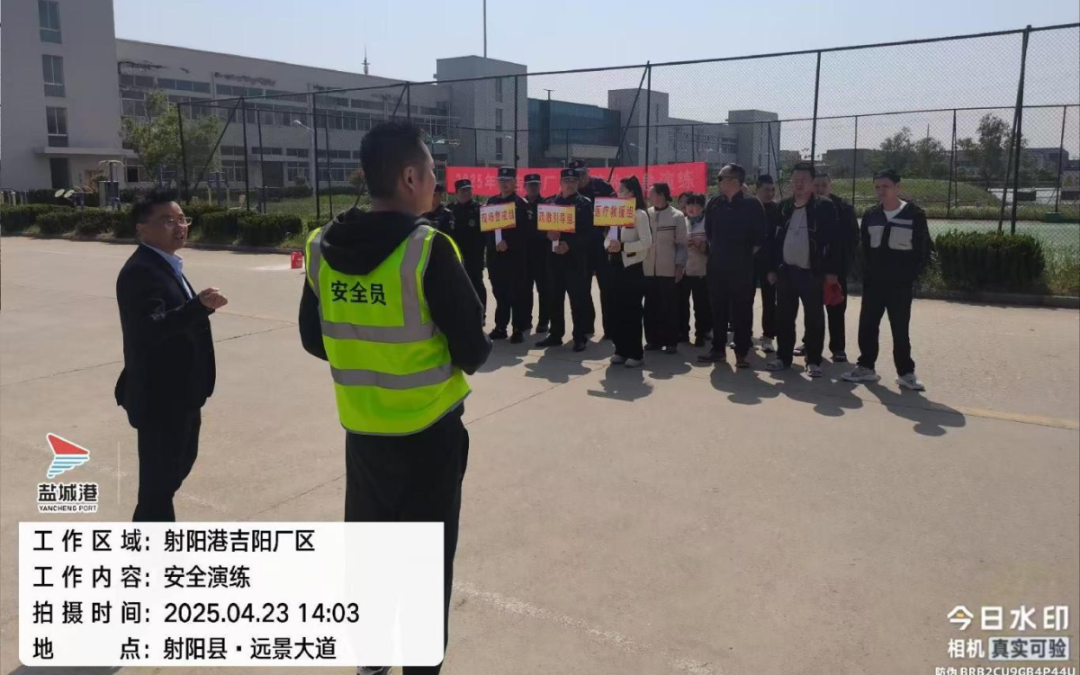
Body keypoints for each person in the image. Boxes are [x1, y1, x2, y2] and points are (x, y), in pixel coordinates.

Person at [298, 121, 491, 675]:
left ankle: (371, 658)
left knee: (370, 555)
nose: (435, 182)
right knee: (424, 568)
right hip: (430, 435)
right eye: (431, 171)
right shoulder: (427, 248)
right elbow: (473, 350)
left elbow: (313, 338)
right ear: (409, 177)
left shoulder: (320, 246)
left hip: (363, 433)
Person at [115, 190, 227, 521]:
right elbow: (150, 328)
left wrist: (199, 307)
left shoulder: (165, 264)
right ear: (142, 229)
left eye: (182, 219)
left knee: (167, 481)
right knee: (158, 490)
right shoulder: (140, 271)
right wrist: (198, 307)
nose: (179, 227)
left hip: (182, 394)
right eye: (167, 221)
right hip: (161, 398)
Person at [843, 169, 931, 390]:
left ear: (898, 187)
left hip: (900, 286)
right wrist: (865, 274)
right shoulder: (871, 215)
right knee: (867, 326)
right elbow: (864, 249)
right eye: (877, 187)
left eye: (886, 186)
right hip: (873, 284)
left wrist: (910, 276)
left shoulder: (914, 214)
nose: (881, 191)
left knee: (900, 329)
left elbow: (923, 250)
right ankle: (866, 367)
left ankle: (906, 373)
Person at [765, 162, 840, 377]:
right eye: (795, 180)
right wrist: (771, 268)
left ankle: (814, 360)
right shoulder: (783, 206)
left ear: (812, 182)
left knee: (814, 317)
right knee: (784, 316)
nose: (798, 184)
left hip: (812, 273)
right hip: (786, 272)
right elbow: (772, 240)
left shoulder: (824, 207)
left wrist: (832, 271)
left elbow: (835, 241)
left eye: (803, 180)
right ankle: (783, 357)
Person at [698, 164, 767, 368]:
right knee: (717, 308)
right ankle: (718, 349)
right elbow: (709, 233)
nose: (718, 181)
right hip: (716, 265)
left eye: (721, 178)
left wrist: (740, 257)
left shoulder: (752, 204)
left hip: (741, 267)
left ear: (735, 181)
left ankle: (742, 352)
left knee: (741, 309)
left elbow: (759, 239)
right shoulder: (715, 203)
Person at [536, 168, 594, 352]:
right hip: (553, 260)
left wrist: (570, 245)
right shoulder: (549, 203)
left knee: (578, 300)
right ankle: (555, 334)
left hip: (575, 260)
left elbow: (589, 234)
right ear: (560, 183)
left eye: (573, 181)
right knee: (554, 298)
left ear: (578, 183)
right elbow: (538, 229)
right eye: (566, 180)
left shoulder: (584, 204)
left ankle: (580, 336)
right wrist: (547, 234)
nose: (570, 184)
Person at [811, 171, 859, 362]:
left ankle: (838, 347)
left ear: (830, 185)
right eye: (816, 185)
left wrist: (839, 269)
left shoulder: (844, 208)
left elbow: (851, 240)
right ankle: (809, 343)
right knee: (812, 310)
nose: (820, 189)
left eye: (824, 185)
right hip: (812, 267)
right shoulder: (806, 205)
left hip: (836, 269)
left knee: (836, 308)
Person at [606, 176, 654, 368]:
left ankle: (635, 353)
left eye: (623, 190)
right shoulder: (616, 212)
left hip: (632, 268)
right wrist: (609, 246)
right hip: (614, 266)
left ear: (632, 193)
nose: (619, 193)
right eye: (619, 190)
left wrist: (624, 247)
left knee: (631, 311)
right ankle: (620, 349)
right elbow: (609, 237)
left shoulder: (639, 214)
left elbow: (646, 242)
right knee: (615, 309)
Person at [570, 159, 616, 340]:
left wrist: (611, 234)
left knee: (607, 287)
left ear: (588, 171)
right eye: (576, 176)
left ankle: (610, 328)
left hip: (602, 245)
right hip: (581, 247)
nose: (580, 178)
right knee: (582, 287)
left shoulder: (602, 186)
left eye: (582, 174)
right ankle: (586, 326)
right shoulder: (572, 192)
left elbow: (617, 210)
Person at [486, 167, 531, 343]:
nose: (504, 184)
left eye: (508, 181)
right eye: (502, 180)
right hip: (495, 257)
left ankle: (518, 328)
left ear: (514, 182)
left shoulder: (520, 204)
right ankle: (500, 327)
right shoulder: (491, 202)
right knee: (500, 293)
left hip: (514, 257)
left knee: (516, 293)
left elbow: (525, 232)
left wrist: (509, 243)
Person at [643, 182, 688, 355]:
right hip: (648, 269)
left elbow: (682, 245)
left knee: (668, 308)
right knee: (650, 307)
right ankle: (653, 340)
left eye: (652, 194)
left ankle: (671, 341)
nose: (649, 197)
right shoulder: (646, 214)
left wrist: (680, 266)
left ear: (661, 195)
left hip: (668, 269)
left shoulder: (677, 216)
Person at [678, 193, 712, 347]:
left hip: (701, 271)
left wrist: (701, 244)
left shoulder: (707, 224)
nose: (691, 208)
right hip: (684, 270)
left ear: (702, 208)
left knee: (701, 305)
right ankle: (683, 333)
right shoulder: (682, 222)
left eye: (695, 205)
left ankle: (701, 334)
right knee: (682, 304)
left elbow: (713, 247)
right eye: (689, 205)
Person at [448, 178, 485, 315]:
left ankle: (481, 313)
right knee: (457, 285)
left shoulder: (480, 209)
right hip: (455, 256)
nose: (466, 193)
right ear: (456, 193)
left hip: (474, 255)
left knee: (477, 284)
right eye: (463, 190)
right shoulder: (450, 210)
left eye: (469, 190)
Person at [754, 174, 780, 354]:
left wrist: (773, 268)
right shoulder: (748, 207)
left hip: (769, 263)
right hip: (748, 261)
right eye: (766, 190)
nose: (770, 193)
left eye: (772, 190)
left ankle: (768, 337)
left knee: (770, 300)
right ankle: (743, 336)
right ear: (757, 189)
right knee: (743, 300)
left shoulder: (778, 210)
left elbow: (777, 241)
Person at [523, 173, 549, 334]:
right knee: (525, 289)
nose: (533, 187)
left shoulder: (547, 204)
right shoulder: (519, 204)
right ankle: (526, 320)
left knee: (544, 289)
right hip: (524, 254)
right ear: (524, 186)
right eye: (530, 184)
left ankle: (544, 321)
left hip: (542, 253)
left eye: (536, 184)